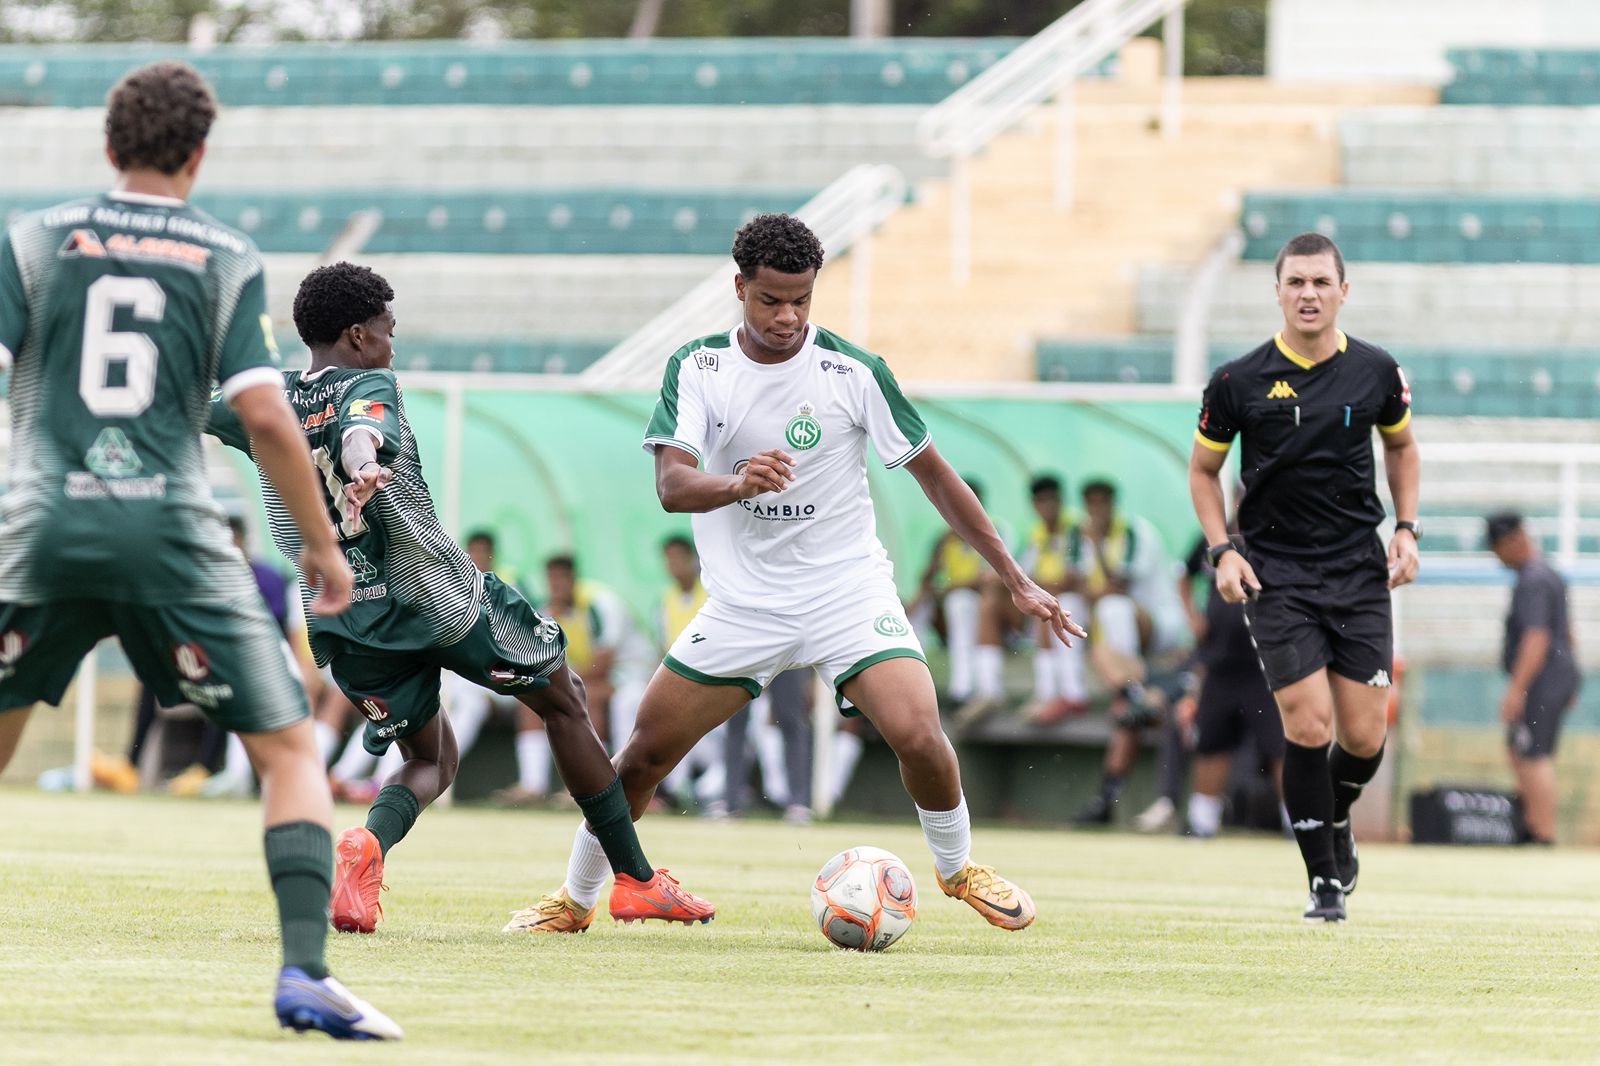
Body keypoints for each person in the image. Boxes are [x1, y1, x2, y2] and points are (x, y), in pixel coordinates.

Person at [519, 213, 1082, 934]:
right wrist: (738, 482)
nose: (787, 317)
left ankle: (957, 869)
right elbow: (672, 485)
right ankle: (574, 900)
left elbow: (937, 479)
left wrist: (1014, 576)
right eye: (770, 300)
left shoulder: (854, 372)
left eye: (802, 300)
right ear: (740, 288)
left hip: (845, 591)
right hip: (743, 607)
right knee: (640, 758)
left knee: (918, 732)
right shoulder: (699, 367)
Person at [0, 61, 398, 1038]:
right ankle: (304, 973)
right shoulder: (223, 253)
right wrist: (321, 546)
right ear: (198, 153)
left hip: (42, 525)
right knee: (290, 750)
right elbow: (264, 408)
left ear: (108, 146)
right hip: (172, 534)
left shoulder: (34, 239)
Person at [207, 262, 708, 938]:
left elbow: (199, 407)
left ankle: (367, 847)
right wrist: (360, 468)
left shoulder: (267, 402)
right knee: (564, 701)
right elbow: (362, 427)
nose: (392, 346)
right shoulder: (370, 381)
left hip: (350, 618)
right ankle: (636, 880)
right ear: (357, 335)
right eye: (388, 333)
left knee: (428, 760)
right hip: (438, 595)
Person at [1190, 231, 1419, 922]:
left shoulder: (1377, 371)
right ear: (1278, 291)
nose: (1309, 294)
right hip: (1275, 574)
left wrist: (1406, 529)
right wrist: (1222, 550)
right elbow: (1203, 472)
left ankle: (1336, 815)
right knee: (1309, 722)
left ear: (1343, 291)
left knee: (1363, 736)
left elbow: (1402, 448)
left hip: (1357, 570)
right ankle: (1324, 883)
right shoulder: (1238, 380)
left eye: (1322, 282)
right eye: (1297, 282)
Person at [1069, 479, 1192, 822]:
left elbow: (1115, 586)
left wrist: (1095, 547)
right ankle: (1105, 800)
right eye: (1090, 502)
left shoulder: (1136, 533)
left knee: (1112, 607)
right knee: (1104, 660)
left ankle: (1184, 806)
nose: (1096, 510)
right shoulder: (1079, 536)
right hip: (1143, 664)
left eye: (1101, 502)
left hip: (1162, 634)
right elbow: (1074, 583)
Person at [1173, 530, 1285, 838]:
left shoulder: (1279, 535)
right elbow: (1182, 574)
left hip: (1265, 664)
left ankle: (1299, 822)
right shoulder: (1214, 537)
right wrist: (1192, 616)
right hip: (1219, 661)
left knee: (1281, 746)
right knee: (1211, 741)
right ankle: (1201, 821)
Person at [1486, 512, 1580, 845]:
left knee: (1533, 753)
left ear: (1512, 540)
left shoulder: (1533, 580)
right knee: (1522, 748)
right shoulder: (1549, 573)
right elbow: (1567, 631)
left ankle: (1542, 834)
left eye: (1498, 548)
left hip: (1542, 678)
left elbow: (1536, 637)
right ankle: (1532, 826)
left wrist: (1516, 689)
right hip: (1555, 675)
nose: (1498, 558)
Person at [908, 477, 989, 707]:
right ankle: (913, 681)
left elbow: (986, 581)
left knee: (959, 601)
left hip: (983, 610)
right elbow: (927, 580)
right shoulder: (945, 539)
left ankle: (962, 688)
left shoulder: (993, 531)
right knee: (916, 611)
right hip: (951, 609)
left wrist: (946, 589)